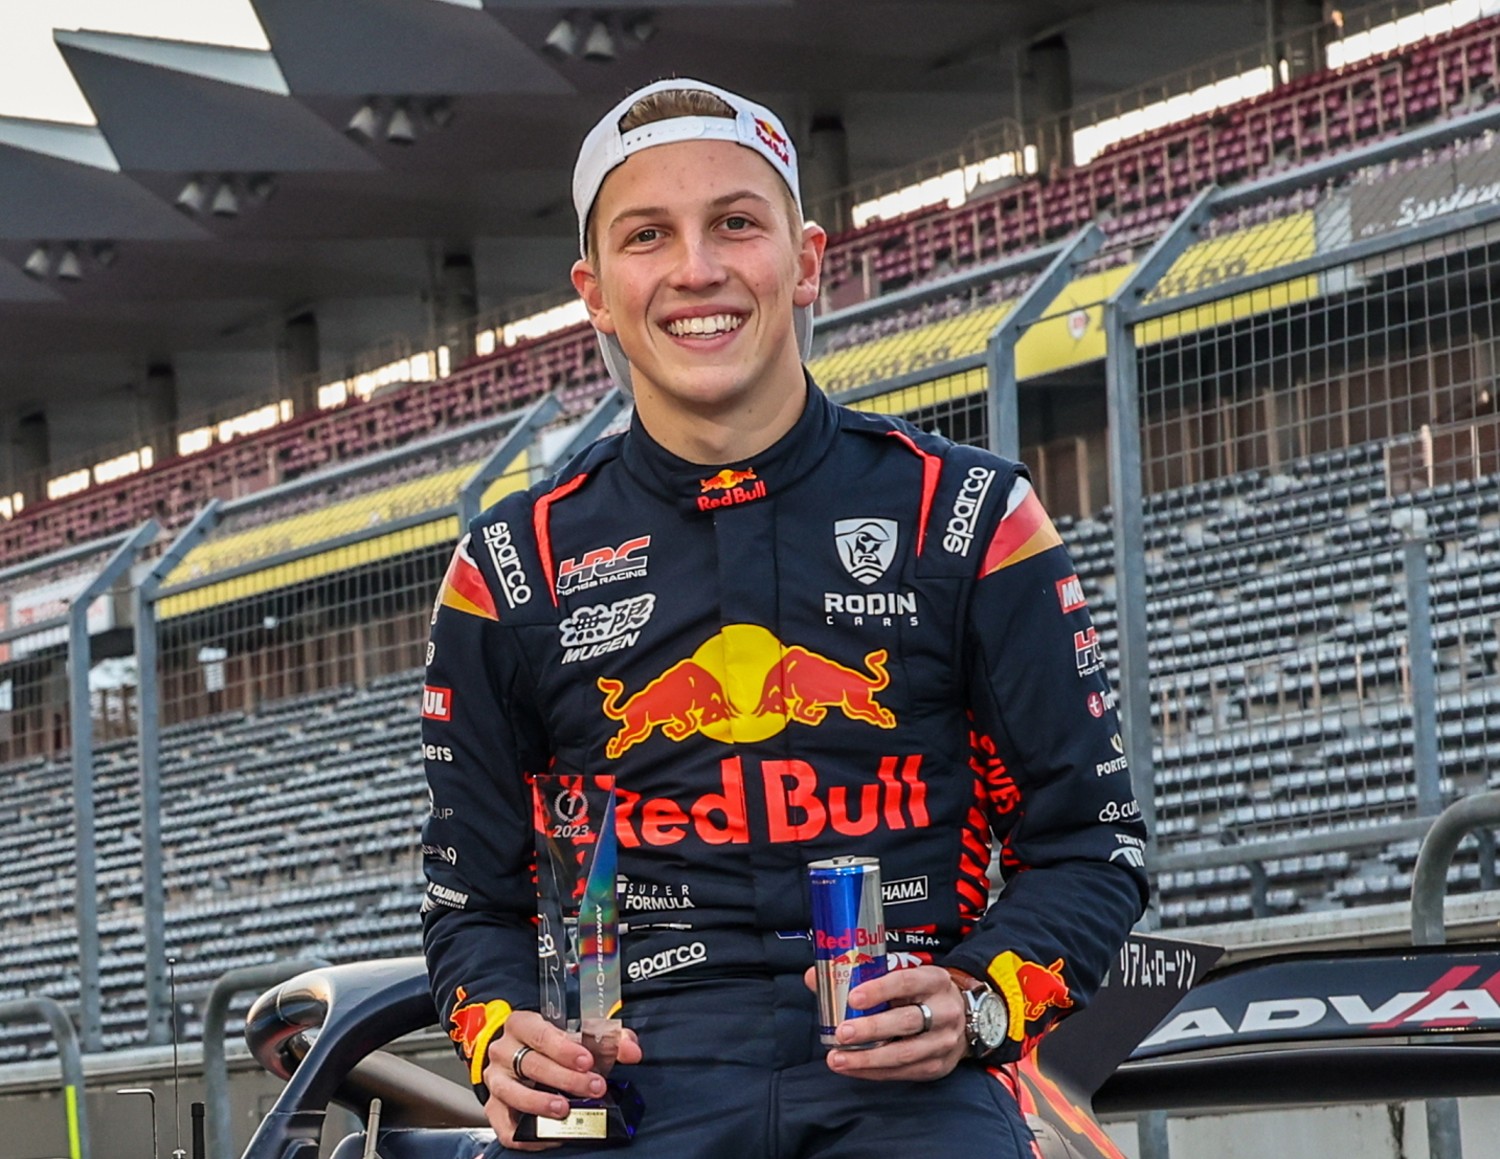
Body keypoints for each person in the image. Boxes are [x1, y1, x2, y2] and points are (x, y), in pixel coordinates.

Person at [420, 77, 1148, 1157]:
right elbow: (470, 906)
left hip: (913, 1086)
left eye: (735, 223)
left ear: (806, 261)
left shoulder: (971, 516)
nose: (696, 269)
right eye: (647, 236)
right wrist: (501, 1037)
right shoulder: (508, 569)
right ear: (595, 291)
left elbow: (1095, 846)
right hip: (621, 1091)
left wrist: (977, 1000)